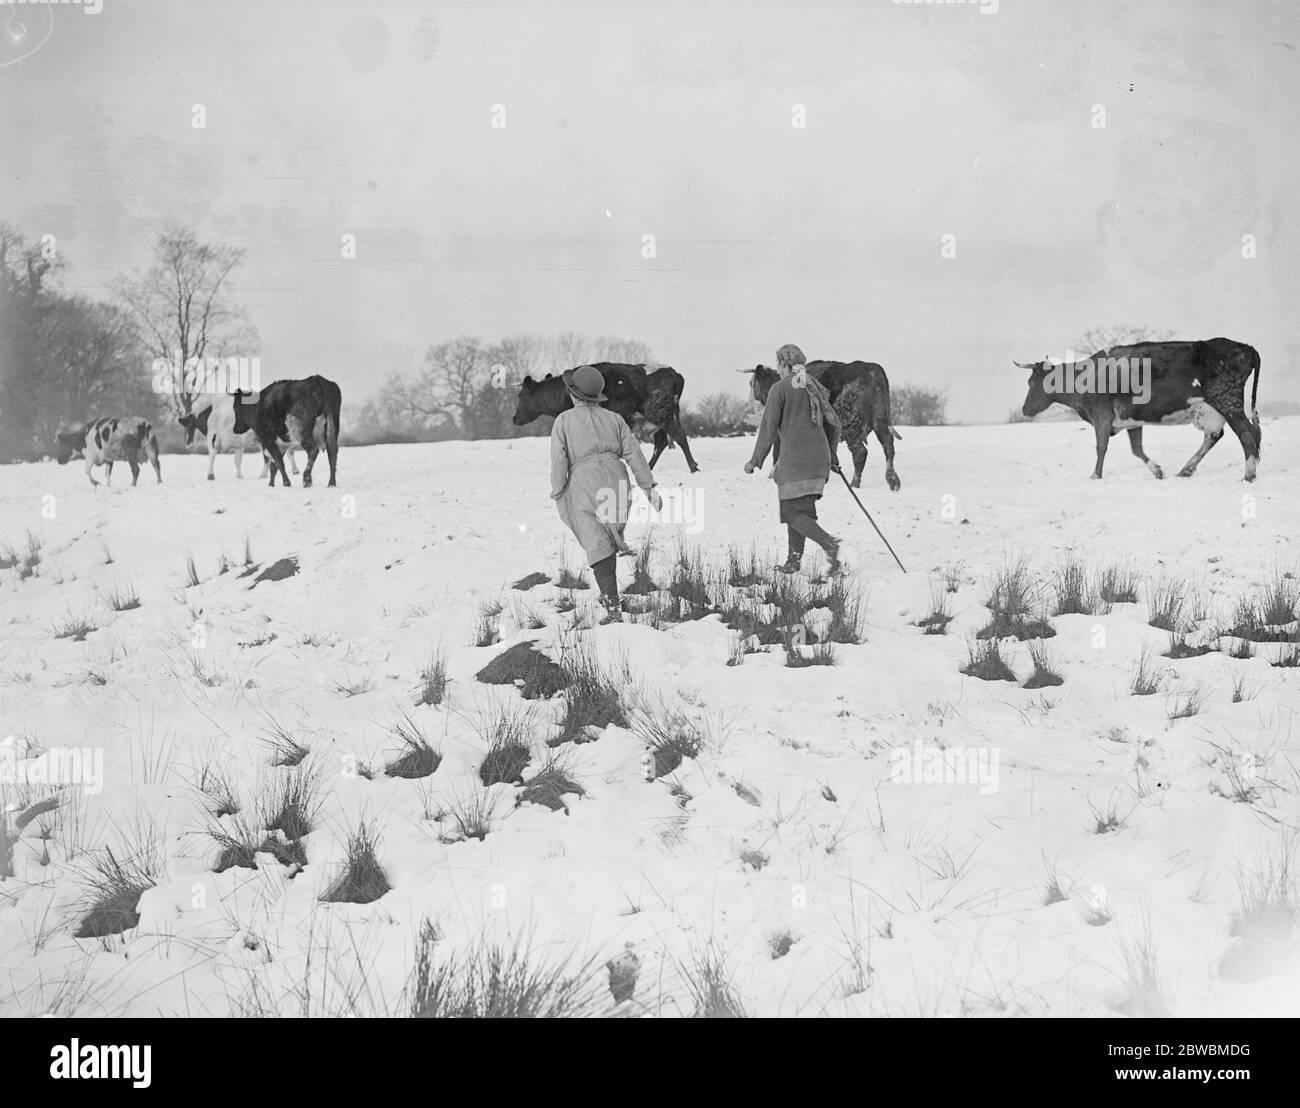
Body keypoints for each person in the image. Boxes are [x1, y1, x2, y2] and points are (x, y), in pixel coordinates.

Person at [551, 365, 662, 623]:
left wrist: (558, 491)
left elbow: (558, 460)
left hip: (585, 480)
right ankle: (609, 593)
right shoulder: (615, 419)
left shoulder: (564, 421)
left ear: (573, 394)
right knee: (608, 534)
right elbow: (634, 453)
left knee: (596, 540)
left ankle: (613, 608)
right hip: (617, 478)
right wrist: (648, 487)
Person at [744, 343, 844, 574]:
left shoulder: (779, 388)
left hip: (796, 460)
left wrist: (755, 460)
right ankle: (793, 561)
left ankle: (831, 545)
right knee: (801, 511)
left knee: (791, 512)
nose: (777, 368)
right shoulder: (812, 385)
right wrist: (832, 455)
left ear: (783, 364)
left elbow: (768, 427)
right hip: (819, 460)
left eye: (778, 363)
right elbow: (833, 422)